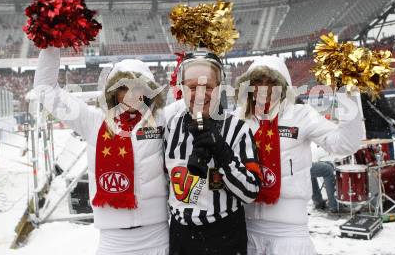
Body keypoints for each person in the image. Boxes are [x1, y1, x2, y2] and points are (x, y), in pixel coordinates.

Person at [32, 47, 169, 255]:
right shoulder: (93, 121)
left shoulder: (162, 119)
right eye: (125, 87)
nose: (132, 95)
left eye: (138, 87)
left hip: (156, 236)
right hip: (113, 240)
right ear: (114, 90)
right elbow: (46, 91)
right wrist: (51, 46)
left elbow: (197, 102)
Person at [234, 56, 364, 255]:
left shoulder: (301, 115)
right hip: (245, 231)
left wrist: (348, 94)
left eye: (271, 82)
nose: (264, 89)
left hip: (290, 235)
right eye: (257, 82)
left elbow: (345, 143)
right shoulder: (237, 119)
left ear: (283, 86)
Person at [164, 51, 261, 255]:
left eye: (207, 87)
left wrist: (222, 152)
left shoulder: (238, 129)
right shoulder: (171, 127)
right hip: (180, 236)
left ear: (219, 89)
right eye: (192, 87)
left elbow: (251, 191)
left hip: (224, 236)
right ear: (183, 89)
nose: (200, 94)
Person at [361, 92, 395, 160]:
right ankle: (389, 166)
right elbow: (386, 109)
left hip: (368, 130)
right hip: (382, 130)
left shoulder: (360, 95)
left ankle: (375, 167)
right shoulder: (376, 92)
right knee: (387, 154)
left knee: (372, 154)